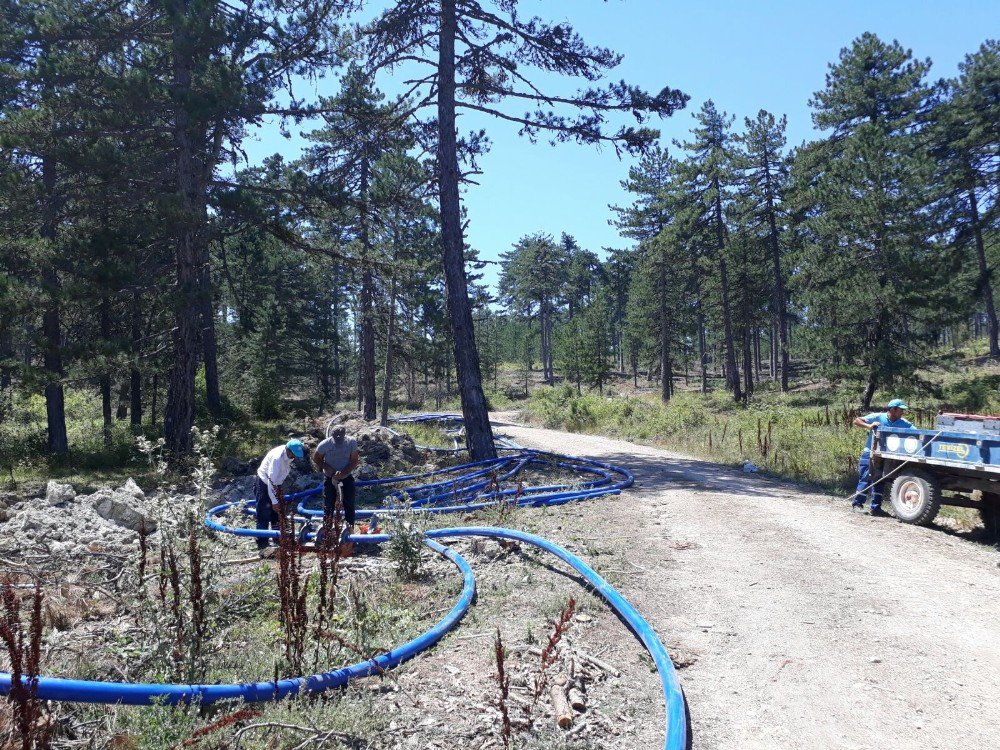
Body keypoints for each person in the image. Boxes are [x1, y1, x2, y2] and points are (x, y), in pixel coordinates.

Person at [851, 398, 913, 516]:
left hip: (887, 457)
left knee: (880, 481)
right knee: (865, 478)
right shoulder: (878, 416)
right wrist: (869, 426)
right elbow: (857, 421)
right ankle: (857, 504)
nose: (902, 412)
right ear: (893, 409)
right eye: (901, 410)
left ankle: (876, 508)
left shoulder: (903, 423)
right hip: (870, 453)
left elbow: (917, 431)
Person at [255, 439, 306, 555]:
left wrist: (277, 499)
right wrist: (274, 501)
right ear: (287, 450)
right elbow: (270, 480)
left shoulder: (289, 456)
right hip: (264, 483)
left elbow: (276, 481)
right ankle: (262, 543)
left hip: (276, 484)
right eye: (292, 454)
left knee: (277, 514)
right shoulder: (277, 458)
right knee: (263, 513)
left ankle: (278, 538)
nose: (294, 457)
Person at [312, 424, 360, 539]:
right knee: (328, 505)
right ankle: (327, 532)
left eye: (340, 436)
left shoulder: (351, 443)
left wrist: (344, 472)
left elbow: (354, 461)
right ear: (332, 435)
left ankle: (349, 531)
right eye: (336, 436)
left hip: (346, 477)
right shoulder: (325, 445)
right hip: (329, 477)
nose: (338, 438)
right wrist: (328, 468)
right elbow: (316, 458)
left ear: (344, 435)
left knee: (349, 504)